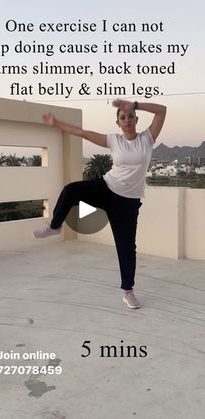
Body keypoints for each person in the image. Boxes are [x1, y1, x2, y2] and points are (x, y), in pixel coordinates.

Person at [33, 100, 166, 309]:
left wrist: (134, 104)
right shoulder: (114, 140)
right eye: (123, 117)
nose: (127, 120)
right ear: (118, 122)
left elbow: (161, 111)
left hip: (128, 203)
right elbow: (82, 132)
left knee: (127, 248)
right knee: (71, 190)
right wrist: (56, 123)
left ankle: (128, 292)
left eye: (130, 116)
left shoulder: (147, 139)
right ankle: (55, 226)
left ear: (136, 119)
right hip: (106, 188)